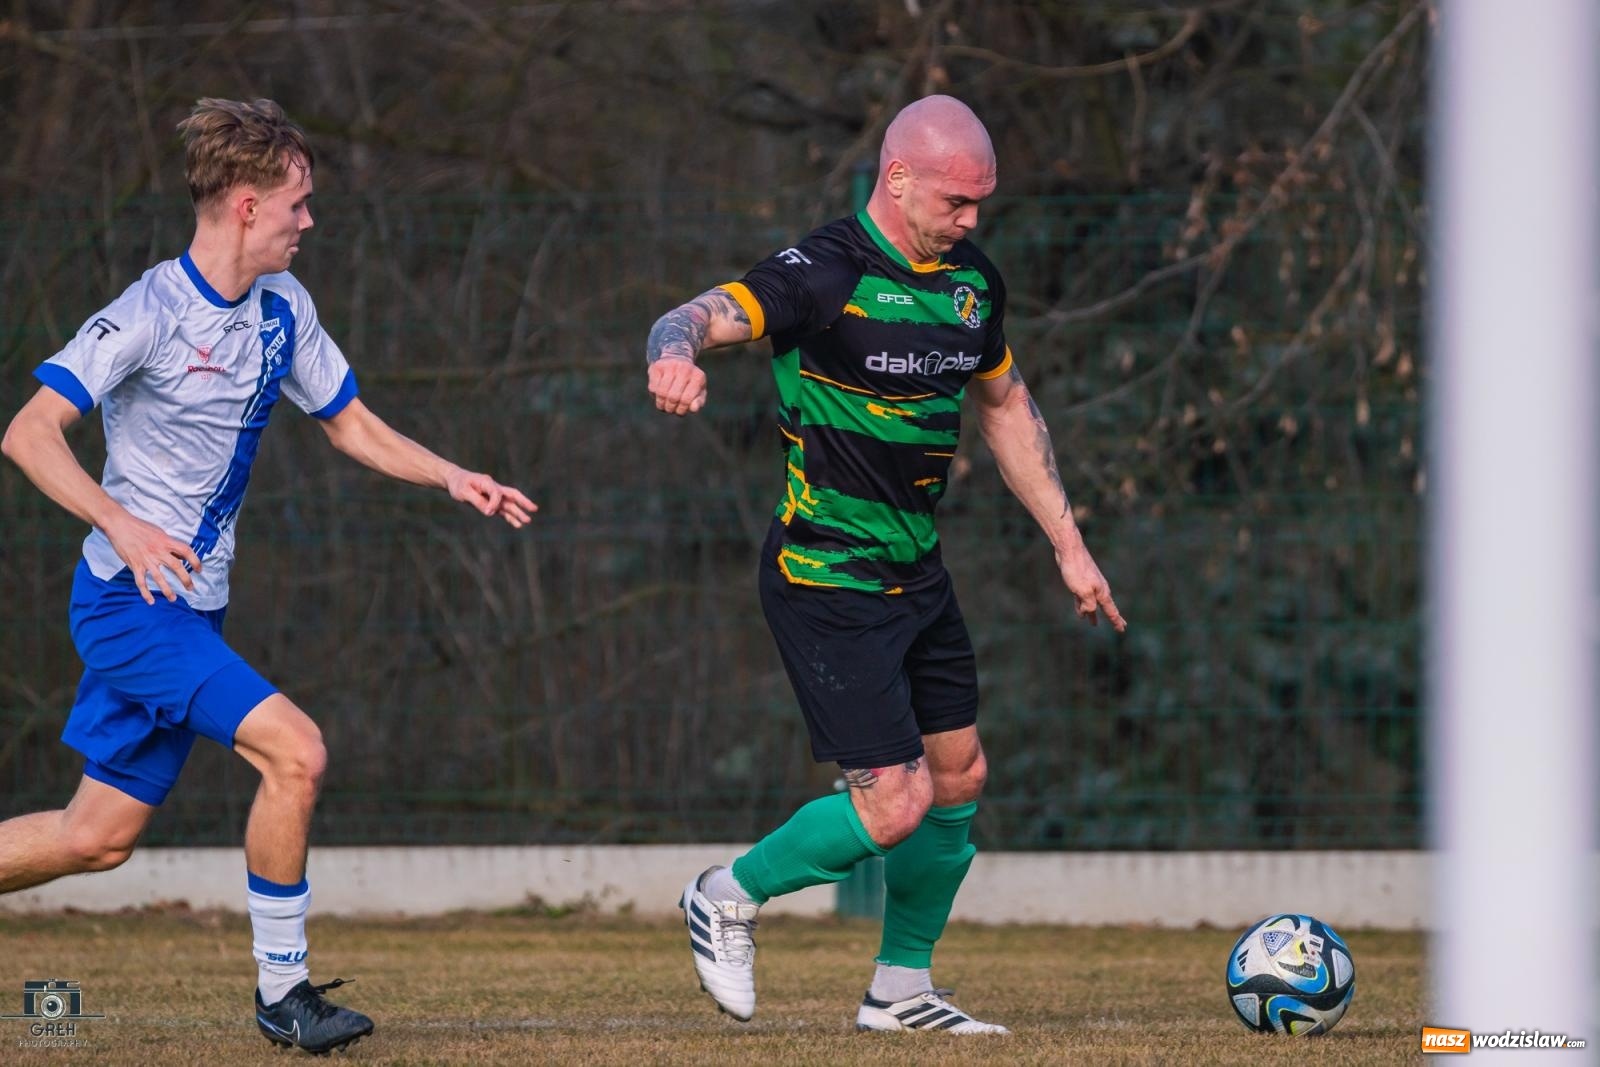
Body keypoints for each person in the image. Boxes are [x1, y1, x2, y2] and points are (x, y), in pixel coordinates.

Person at [0, 98, 535, 1055]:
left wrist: (452, 473)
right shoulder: (147, 311)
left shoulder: (286, 310)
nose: (309, 220)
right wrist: (120, 521)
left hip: (188, 613)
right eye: (298, 202)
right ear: (246, 206)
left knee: (95, 836)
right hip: (128, 605)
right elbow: (28, 432)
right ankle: (284, 996)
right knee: (298, 751)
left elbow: (350, 421)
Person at [646, 94, 1125, 1034]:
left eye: (982, 203)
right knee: (896, 801)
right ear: (897, 179)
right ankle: (724, 893)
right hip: (827, 575)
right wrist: (673, 357)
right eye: (957, 201)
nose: (972, 221)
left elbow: (1005, 405)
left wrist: (1070, 545)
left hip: (918, 574)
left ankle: (900, 991)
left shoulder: (970, 283)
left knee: (960, 776)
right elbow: (696, 315)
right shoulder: (822, 274)